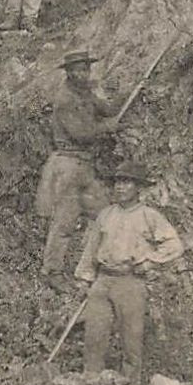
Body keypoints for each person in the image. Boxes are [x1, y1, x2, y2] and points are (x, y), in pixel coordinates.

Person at [75, 160, 184, 379]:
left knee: (131, 337)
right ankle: (90, 381)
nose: (120, 187)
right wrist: (85, 278)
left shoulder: (149, 216)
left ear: (138, 188)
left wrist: (150, 261)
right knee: (94, 332)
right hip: (103, 280)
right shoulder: (106, 214)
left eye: (127, 183)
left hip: (130, 281)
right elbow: (91, 248)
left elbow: (174, 245)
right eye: (117, 182)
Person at [36, 50, 120, 292]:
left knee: (105, 215)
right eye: (77, 70)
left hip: (85, 167)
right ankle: (52, 272)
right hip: (68, 166)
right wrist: (107, 127)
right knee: (64, 222)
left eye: (85, 69)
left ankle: (90, 268)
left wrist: (134, 89)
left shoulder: (85, 93)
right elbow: (80, 133)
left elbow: (108, 109)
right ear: (69, 72)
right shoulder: (65, 99)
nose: (82, 74)